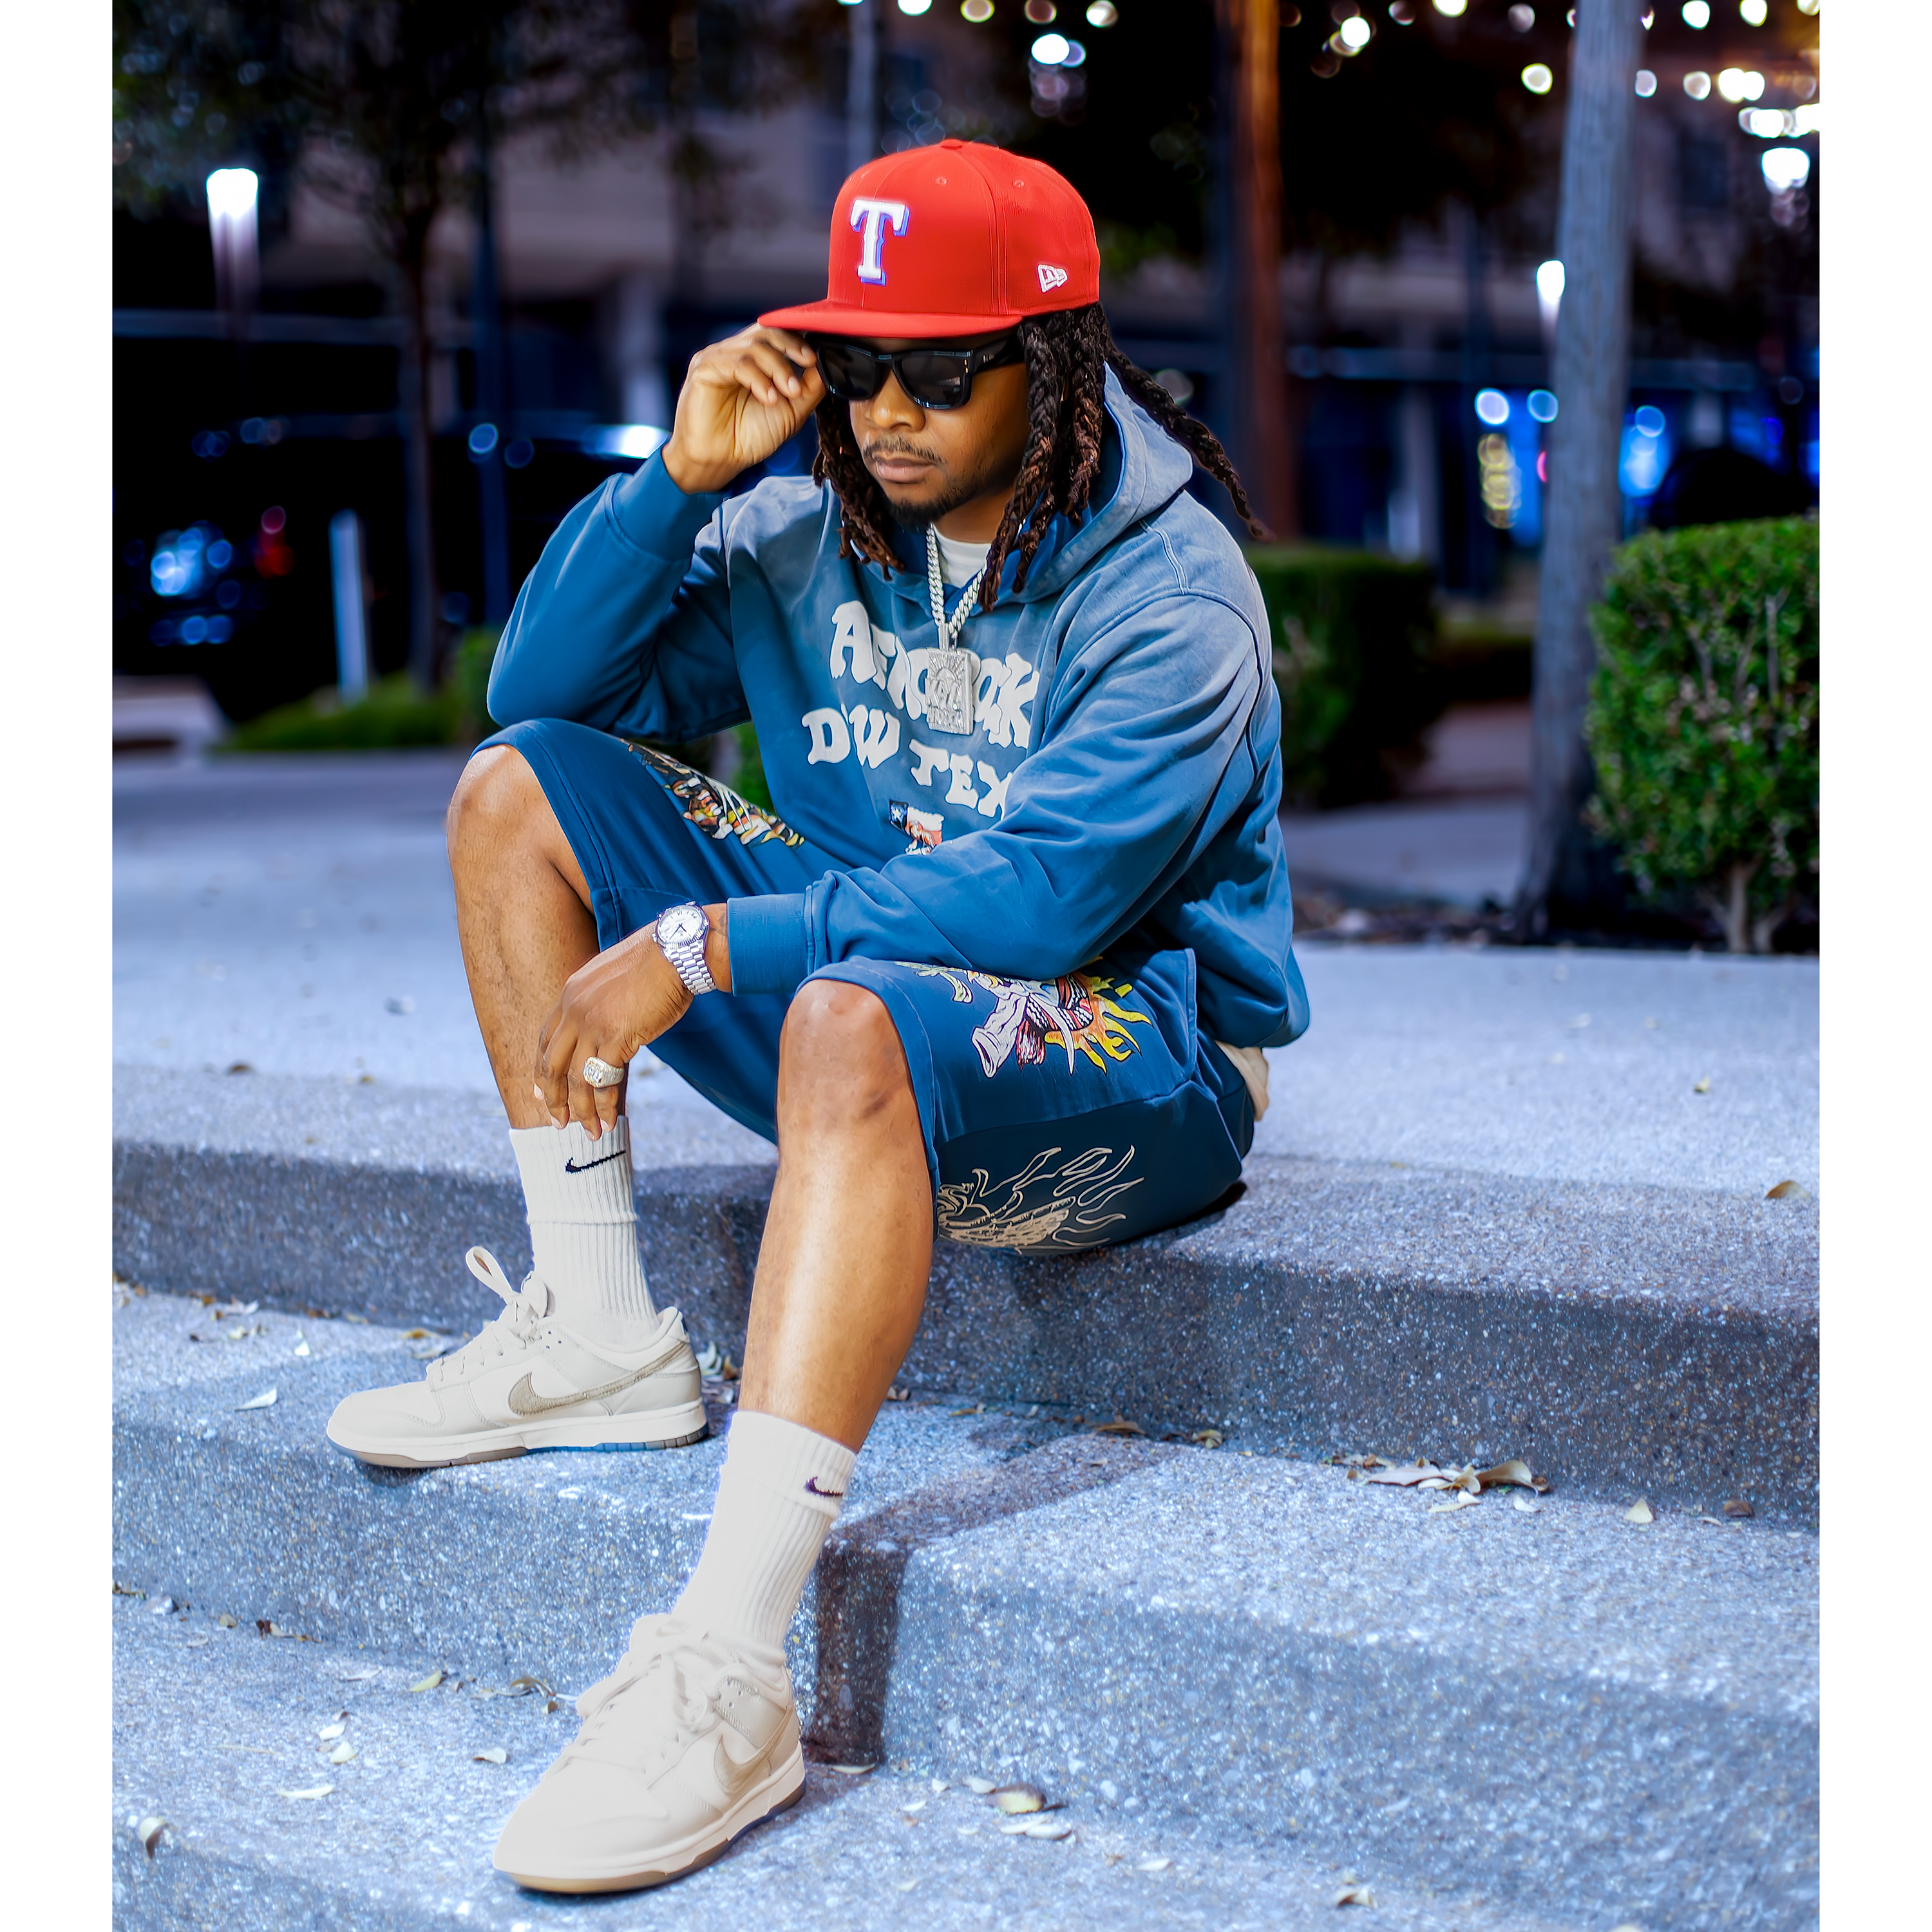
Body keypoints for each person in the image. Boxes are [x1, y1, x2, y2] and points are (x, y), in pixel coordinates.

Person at [324, 139, 1307, 1894]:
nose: (891, 413)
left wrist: (707, 945)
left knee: (848, 1010)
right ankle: (604, 1331)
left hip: (1128, 1057)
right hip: (856, 1028)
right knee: (513, 794)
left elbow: (1045, 904)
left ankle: (727, 1667)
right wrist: (672, 487)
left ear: (1059, 364)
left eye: (945, 368)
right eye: (860, 370)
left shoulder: (1175, 596)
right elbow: (546, 699)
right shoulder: (806, 541)